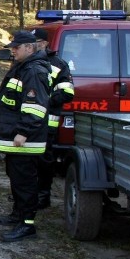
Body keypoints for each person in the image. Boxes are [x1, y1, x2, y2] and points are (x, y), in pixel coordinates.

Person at [0, 30, 51, 242]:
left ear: (30, 48)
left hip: (25, 140)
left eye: (17, 47)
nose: (12, 50)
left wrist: (24, 132)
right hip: (16, 138)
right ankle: (17, 214)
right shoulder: (23, 68)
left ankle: (27, 224)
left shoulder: (33, 71)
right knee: (16, 177)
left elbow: (35, 107)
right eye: (12, 47)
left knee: (25, 182)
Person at [33, 28, 75, 209]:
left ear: (44, 43)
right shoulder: (26, 63)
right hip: (27, 121)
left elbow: (67, 93)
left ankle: (43, 196)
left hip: (47, 122)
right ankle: (28, 193)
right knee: (27, 161)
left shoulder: (58, 64)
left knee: (44, 160)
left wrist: (45, 100)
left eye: (35, 42)